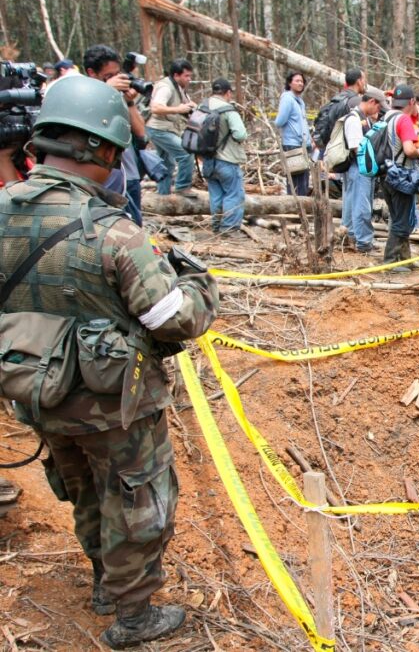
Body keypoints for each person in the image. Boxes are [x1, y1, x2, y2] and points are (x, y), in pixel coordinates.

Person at [0, 76, 218, 648]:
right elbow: (175, 320)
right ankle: (133, 614)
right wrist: (198, 282)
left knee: (84, 492)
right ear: (99, 150)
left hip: (36, 393)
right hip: (114, 403)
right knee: (137, 503)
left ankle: (103, 583)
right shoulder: (115, 234)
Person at [82, 44, 149, 225]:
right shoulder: (82, 95)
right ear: (91, 73)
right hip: (101, 175)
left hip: (128, 173)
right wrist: (106, 90)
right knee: (104, 224)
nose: (116, 80)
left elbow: (141, 131)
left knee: (134, 224)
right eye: (108, 76)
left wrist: (128, 102)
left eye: (117, 74)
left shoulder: (119, 96)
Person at [382, 84, 419, 269]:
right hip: (401, 176)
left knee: (398, 217)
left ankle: (405, 258)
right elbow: (409, 149)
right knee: (403, 220)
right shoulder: (404, 120)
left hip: (386, 174)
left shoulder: (386, 116)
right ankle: (390, 262)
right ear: (412, 101)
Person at [339, 89, 386, 253]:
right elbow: (356, 148)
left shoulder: (364, 119)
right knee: (361, 206)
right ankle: (363, 242)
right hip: (359, 168)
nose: (378, 112)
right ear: (372, 102)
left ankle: (351, 237)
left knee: (353, 203)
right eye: (378, 107)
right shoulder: (354, 119)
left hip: (362, 168)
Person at [201, 79, 249, 237]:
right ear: (228, 93)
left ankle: (216, 226)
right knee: (233, 194)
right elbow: (240, 133)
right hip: (227, 159)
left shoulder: (202, 107)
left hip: (207, 160)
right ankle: (229, 229)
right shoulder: (228, 110)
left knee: (216, 195)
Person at [145, 58, 198, 197]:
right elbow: (156, 107)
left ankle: (163, 195)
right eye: (186, 76)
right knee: (186, 154)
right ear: (176, 75)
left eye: (190, 76)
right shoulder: (166, 87)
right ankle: (182, 186)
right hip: (159, 130)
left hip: (163, 129)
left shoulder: (178, 87)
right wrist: (178, 109)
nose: (189, 79)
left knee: (167, 164)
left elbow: (187, 103)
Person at [275, 71, 312, 196]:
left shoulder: (300, 101)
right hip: (292, 145)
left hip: (303, 146)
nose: (300, 83)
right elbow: (280, 121)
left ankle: (302, 209)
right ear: (290, 83)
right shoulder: (287, 99)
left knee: (304, 181)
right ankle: (295, 208)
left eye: (302, 81)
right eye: (297, 81)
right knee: (295, 181)